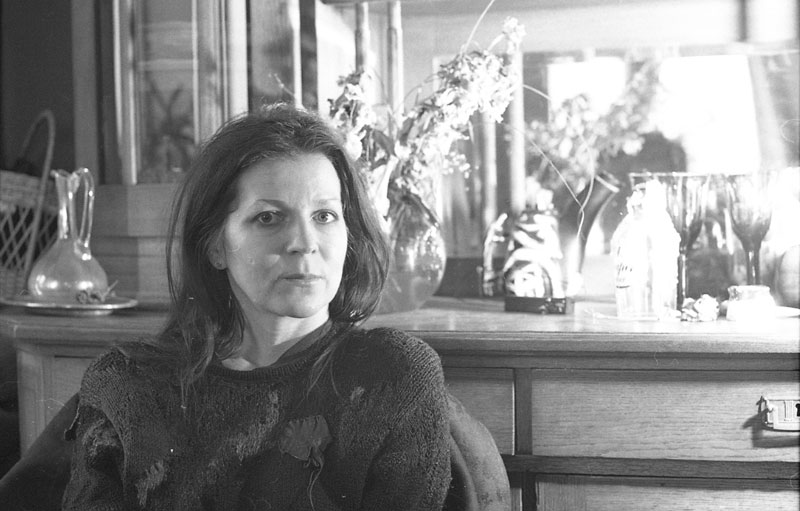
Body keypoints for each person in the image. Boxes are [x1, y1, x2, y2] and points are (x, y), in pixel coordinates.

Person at [61, 104, 452, 510]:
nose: (304, 243)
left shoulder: (393, 377)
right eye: (268, 218)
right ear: (215, 246)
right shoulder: (126, 385)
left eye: (324, 215)